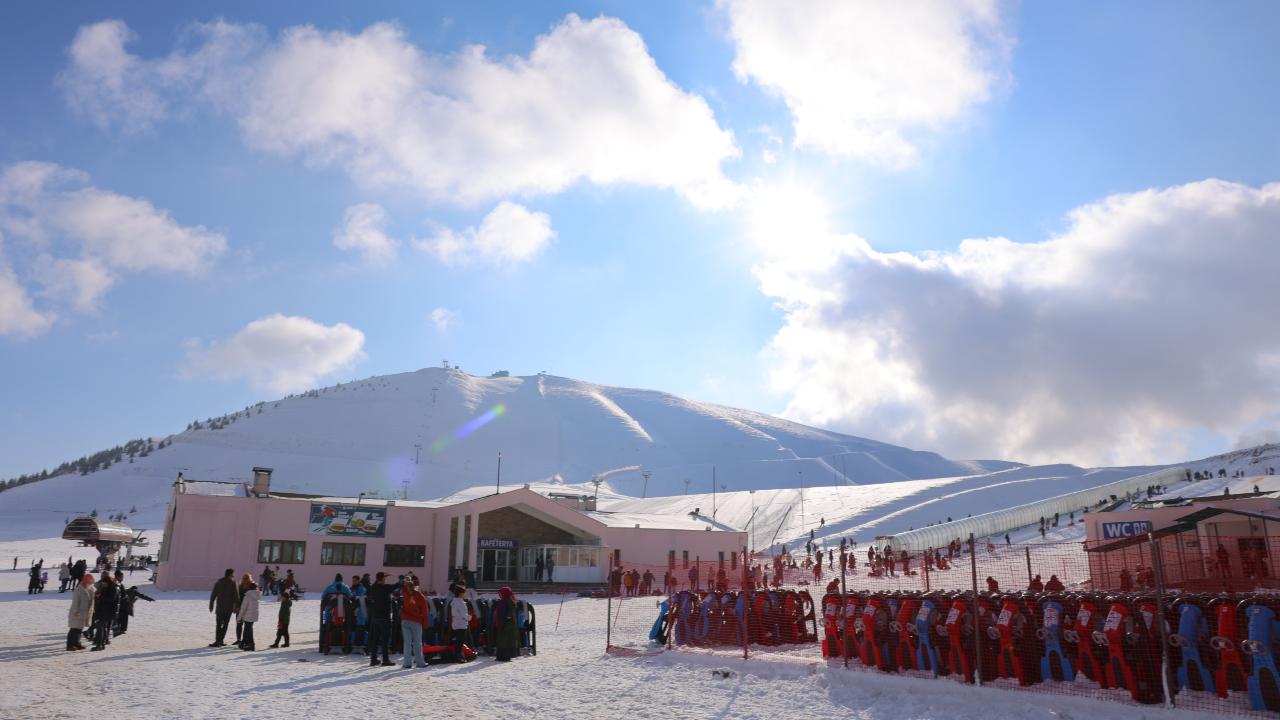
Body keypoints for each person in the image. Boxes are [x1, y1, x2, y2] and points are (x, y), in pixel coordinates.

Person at [365, 572, 394, 666]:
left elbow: (373, 585)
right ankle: (385, 660)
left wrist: (381, 576)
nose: (386, 580)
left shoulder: (374, 587)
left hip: (375, 617)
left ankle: (373, 659)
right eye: (384, 578)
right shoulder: (386, 588)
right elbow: (396, 586)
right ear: (381, 579)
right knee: (385, 640)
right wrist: (403, 581)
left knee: (375, 640)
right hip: (384, 618)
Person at [113, 570, 154, 636]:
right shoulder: (118, 585)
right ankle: (120, 630)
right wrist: (150, 599)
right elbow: (142, 596)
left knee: (120, 618)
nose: (122, 578)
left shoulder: (124, 588)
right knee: (123, 618)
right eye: (122, 577)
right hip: (123, 605)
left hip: (121, 605)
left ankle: (119, 629)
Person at [399, 580, 429, 669]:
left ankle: (407, 663)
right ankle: (420, 663)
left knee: (407, 643)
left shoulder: (405, 593)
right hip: (416, 621)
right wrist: (425, 624)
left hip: (405, 620)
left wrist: (406, 581)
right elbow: (425, 611)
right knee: (417, 643)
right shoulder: (420, 596)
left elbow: (403, 587)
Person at [209, 568, 239, 647]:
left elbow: (213, 595)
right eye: (233, 574)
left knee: (218, 624)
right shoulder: (233, 583)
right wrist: (236, 607)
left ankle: (217, 641)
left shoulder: (218, 582)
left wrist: (211, 605)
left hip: (219, 607)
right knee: (225, 624)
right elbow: (236, 596)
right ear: (231, 574)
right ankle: (220, 640)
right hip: (228, 608)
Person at [90, 573, 119, 651]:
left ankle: (100, 644)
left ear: (108, 582)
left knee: (100, 627)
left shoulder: (113, 589)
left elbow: (111, 600)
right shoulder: (106, 588)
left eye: (104, 583)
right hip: (103, 611)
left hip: (107, 612)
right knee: (102, 627)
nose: (102, 584)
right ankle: (101, 644)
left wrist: (101, 597)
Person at [66, 573, 95, 651]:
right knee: (74, 629)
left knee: (79, 629)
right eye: (89, 582)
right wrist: (76, 611)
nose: (90, 583)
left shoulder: (90, 588)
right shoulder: (79, 590)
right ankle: (70, 645)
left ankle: (77, 643)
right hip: (77, 612)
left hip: (83, 613)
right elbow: (75, 601)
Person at [492, 586, 519, 661]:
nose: (499, 595)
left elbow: (510, 612)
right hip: (503, 623)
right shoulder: (503, 600)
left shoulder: (509, 601)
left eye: (501, 593)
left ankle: (505, 656)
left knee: (506, 641)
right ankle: (500, 656)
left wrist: (506, 619)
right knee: (501, 640)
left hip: (507, 625)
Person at [449, 583, 472, 662]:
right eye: (463, 592)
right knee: (460, 642)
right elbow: (462, 614)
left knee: (459, 642)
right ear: (460, 593)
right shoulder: (459, 602)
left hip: (457, 623)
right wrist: (469, 617)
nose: (464, 594)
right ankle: (458, 657)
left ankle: (459, 656)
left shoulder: (456, 601)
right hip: (461, 624)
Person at [238, 579, 261, 651]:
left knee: (248, 630)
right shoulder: (257, 595)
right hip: (254, 615)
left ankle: (250, 644)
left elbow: (243, 608)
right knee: (249, 629)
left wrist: (239, 618)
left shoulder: (248, 595)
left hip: (248, 615)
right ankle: (247, 643)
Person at [235, 573, 254, 648]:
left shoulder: (251, 587)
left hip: (248, 608)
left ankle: (245, 641)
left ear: (249, 579)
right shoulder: (240, 586)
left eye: (246, 578)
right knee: (239, 623)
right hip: (240, 607)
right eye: (243, 578)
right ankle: (239, 639)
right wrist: (236, 606)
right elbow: (237, 597)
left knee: (247, 626)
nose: (245, 579)